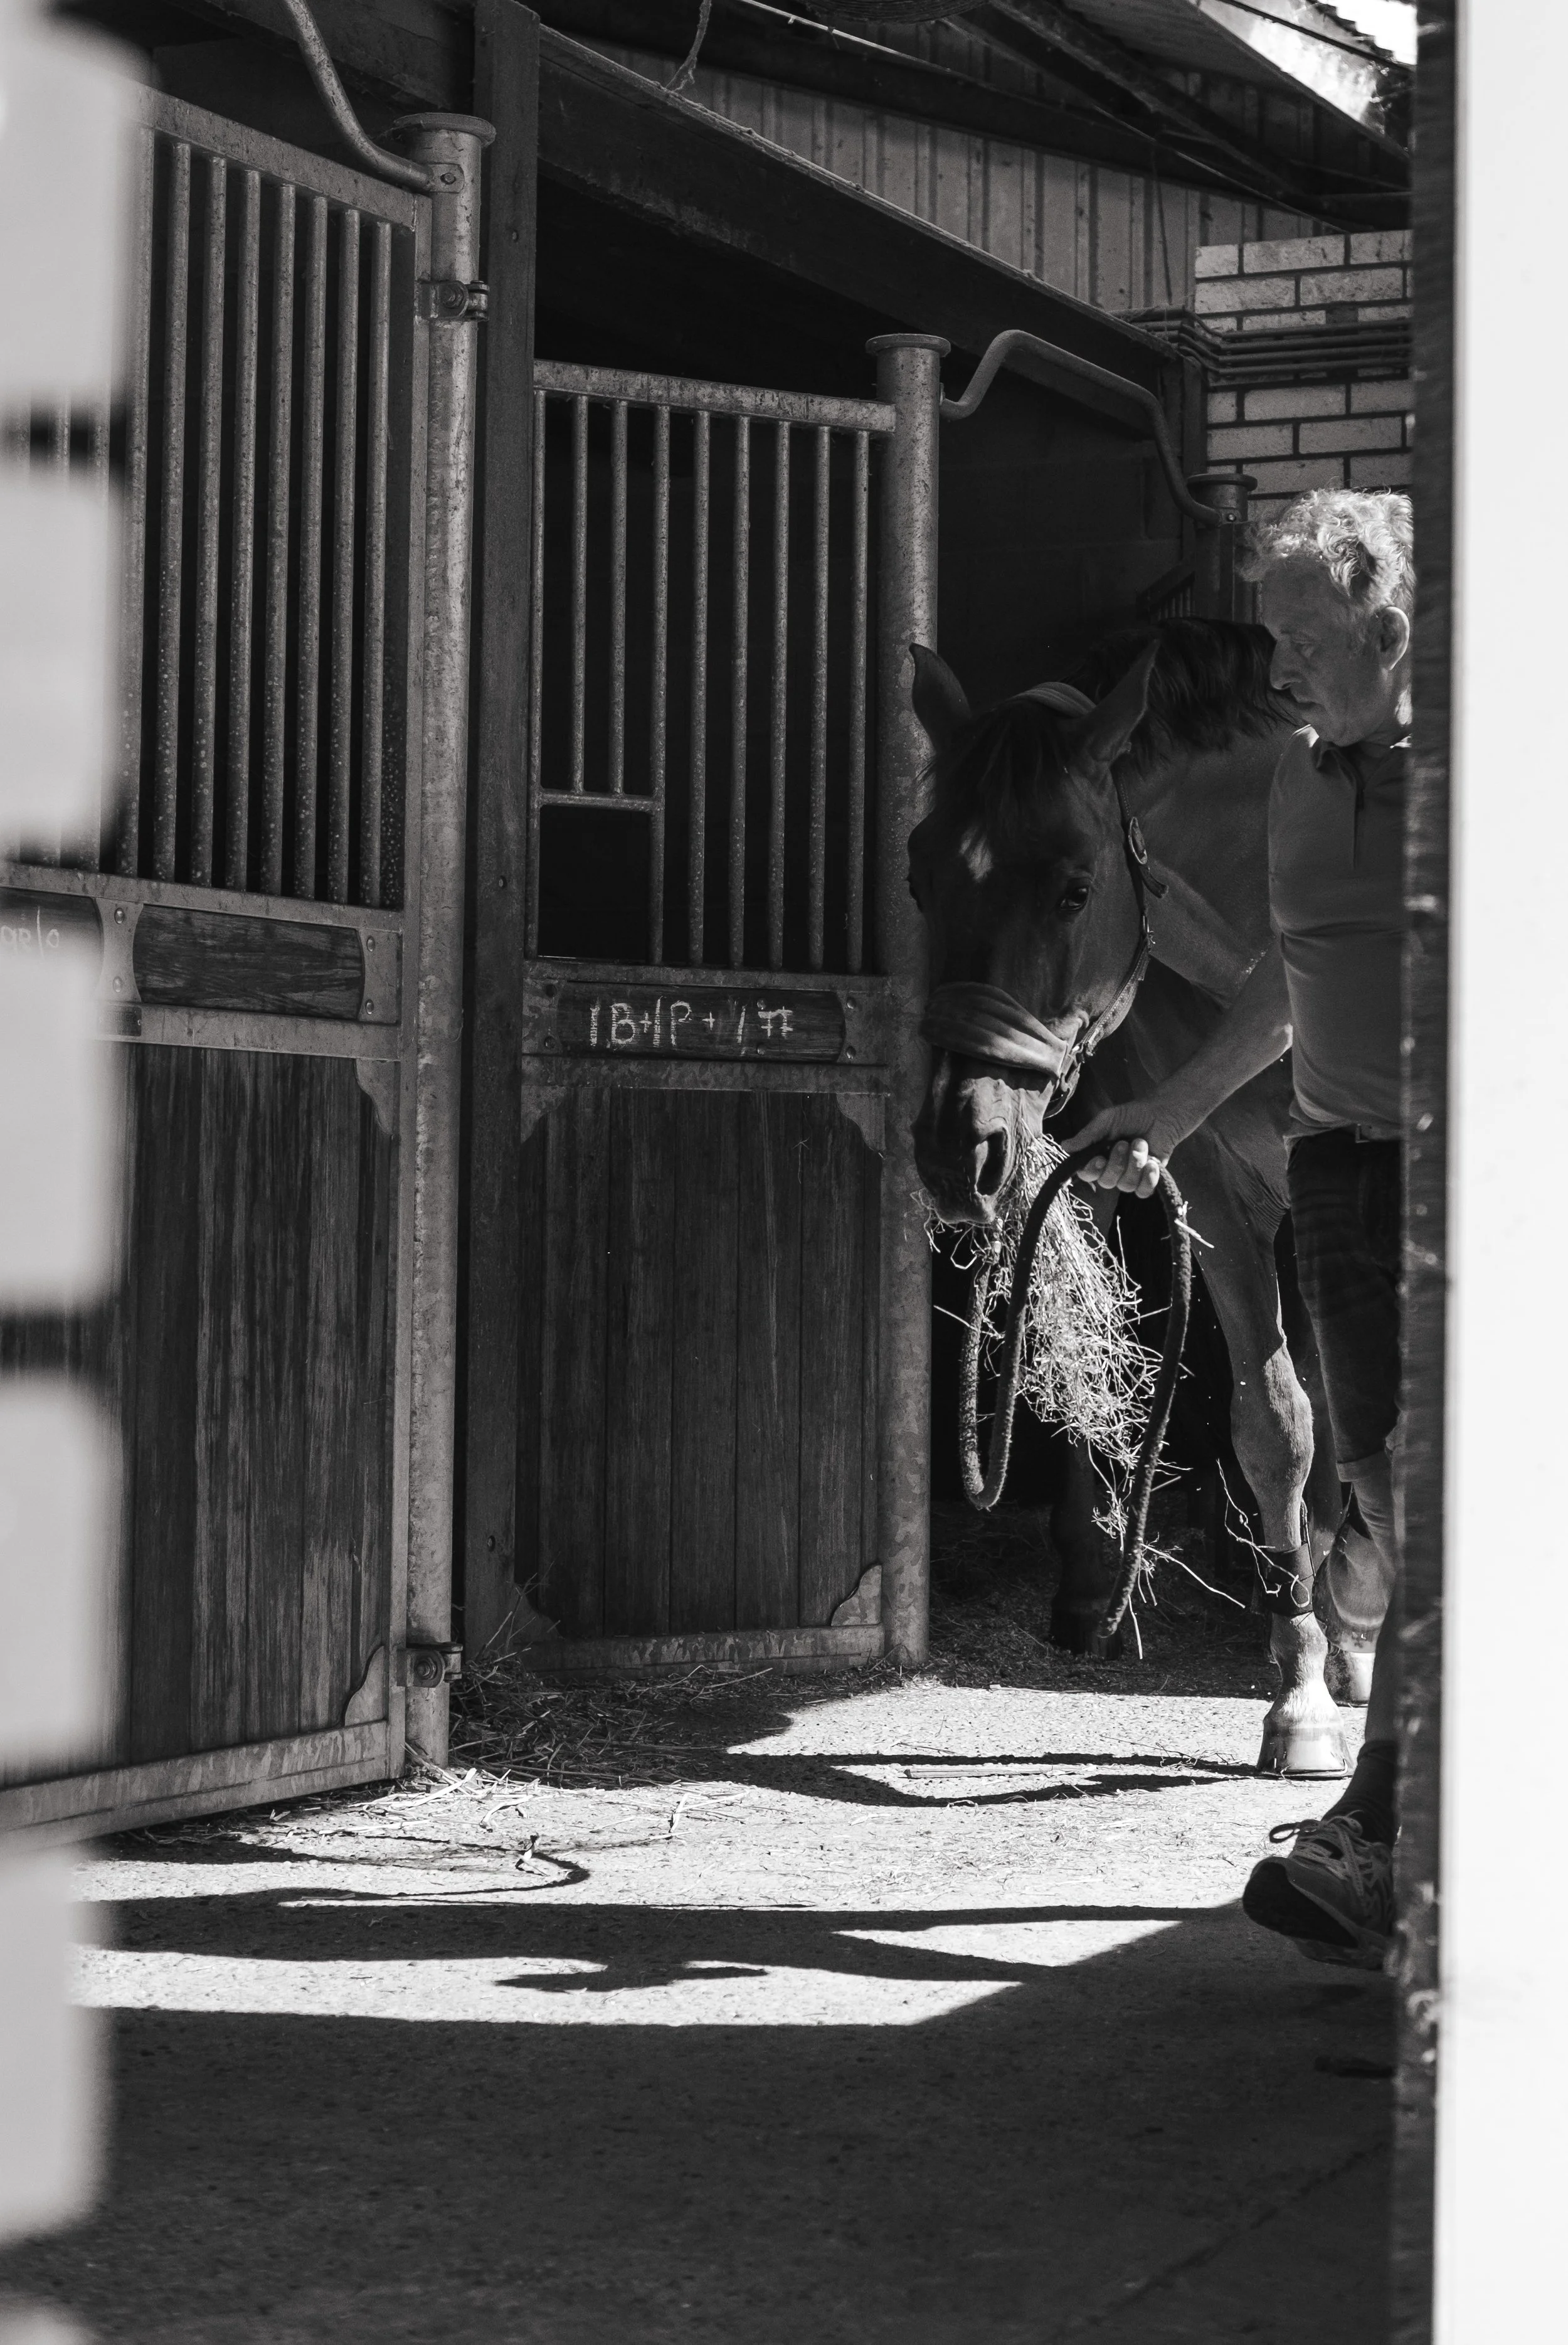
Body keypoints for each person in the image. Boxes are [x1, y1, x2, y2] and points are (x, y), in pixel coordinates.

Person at [1065, 486, 1411, 1969]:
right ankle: (1382, 1820)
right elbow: (1281, 974)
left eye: (1296, 638)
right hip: (1335, 1164)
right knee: (1386, 1491)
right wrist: (1167, 1110)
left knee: (1413, 1503)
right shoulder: (1298, 773)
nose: (1273, 666)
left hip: (1453, 1170)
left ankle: (1375, 1832)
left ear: (1387, 631)